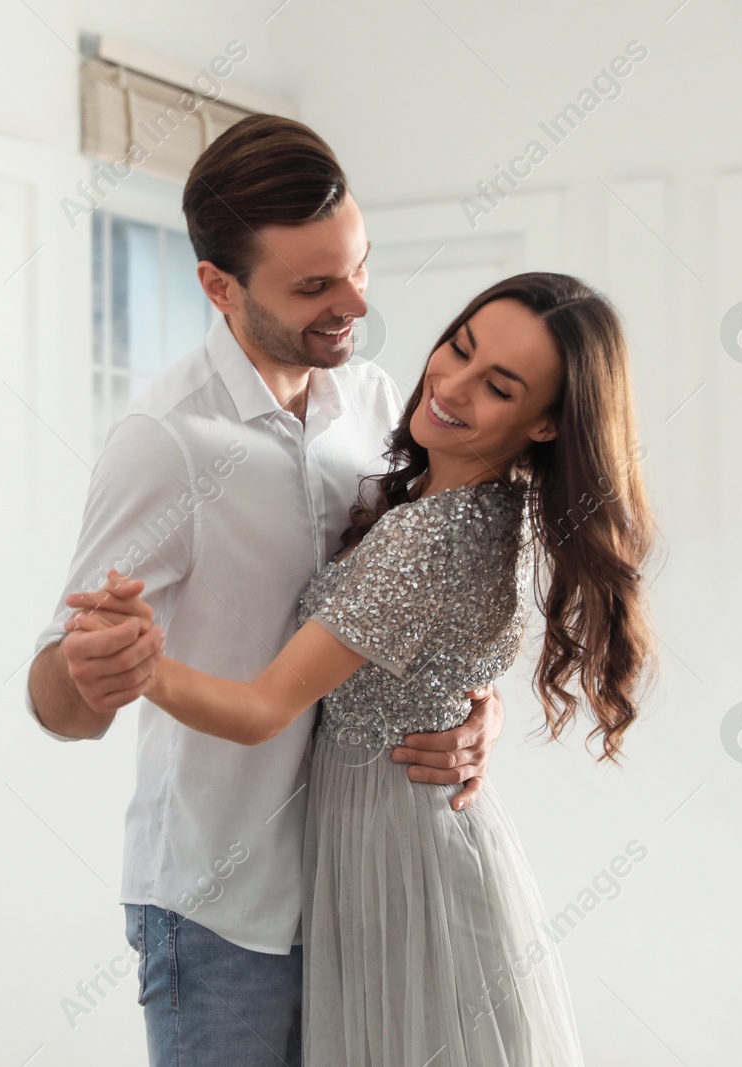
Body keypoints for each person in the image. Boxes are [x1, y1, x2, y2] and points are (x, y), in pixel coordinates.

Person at [69, 271, 658, 1065]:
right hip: (389, 849)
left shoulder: (428, 536)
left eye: (499, 387)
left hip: (396, 857)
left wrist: (140, 658)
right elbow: (447, 655)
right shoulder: (496, 510)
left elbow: (262, 709)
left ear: (547, 424)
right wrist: (473, 706)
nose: (451, 383)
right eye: (459, 347)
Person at [24, 115, 509, 1067]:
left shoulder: (377, 406)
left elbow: (417, 598)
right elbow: (59, 709)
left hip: (359, 883)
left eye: (360, 266)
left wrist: (474, 705)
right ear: (218, 284)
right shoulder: (165, 443)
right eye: (315, 286)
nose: (353, 304)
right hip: (220, 911)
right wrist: (96, 668)